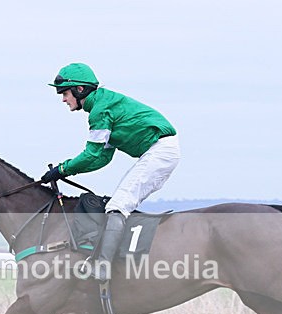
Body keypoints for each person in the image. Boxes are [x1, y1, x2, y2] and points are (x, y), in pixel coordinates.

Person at [43, 62, 180, 282]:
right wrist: (65, 171)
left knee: (117, 206)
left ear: (80, 90)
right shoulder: (104, 103)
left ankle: (103, 268)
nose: (62, 99)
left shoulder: (100, 110)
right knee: (116, 204)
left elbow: (91, 155)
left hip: (159, 151)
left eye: (64, 93)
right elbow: (101, 158)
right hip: (159, 151)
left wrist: (62, 169)